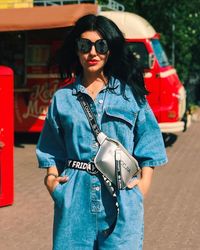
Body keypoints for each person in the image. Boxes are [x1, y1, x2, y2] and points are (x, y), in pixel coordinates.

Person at [36, 14, 168, 250]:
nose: (92, 53)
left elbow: (150, 144)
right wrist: (53, 182)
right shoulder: (63, 98)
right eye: (85, 45)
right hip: (74, 201)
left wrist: (142, 187)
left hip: (122, 200)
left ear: (111, 49)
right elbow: (50, 147)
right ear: (77, 50)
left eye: (101, 45)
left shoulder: (131, 96)